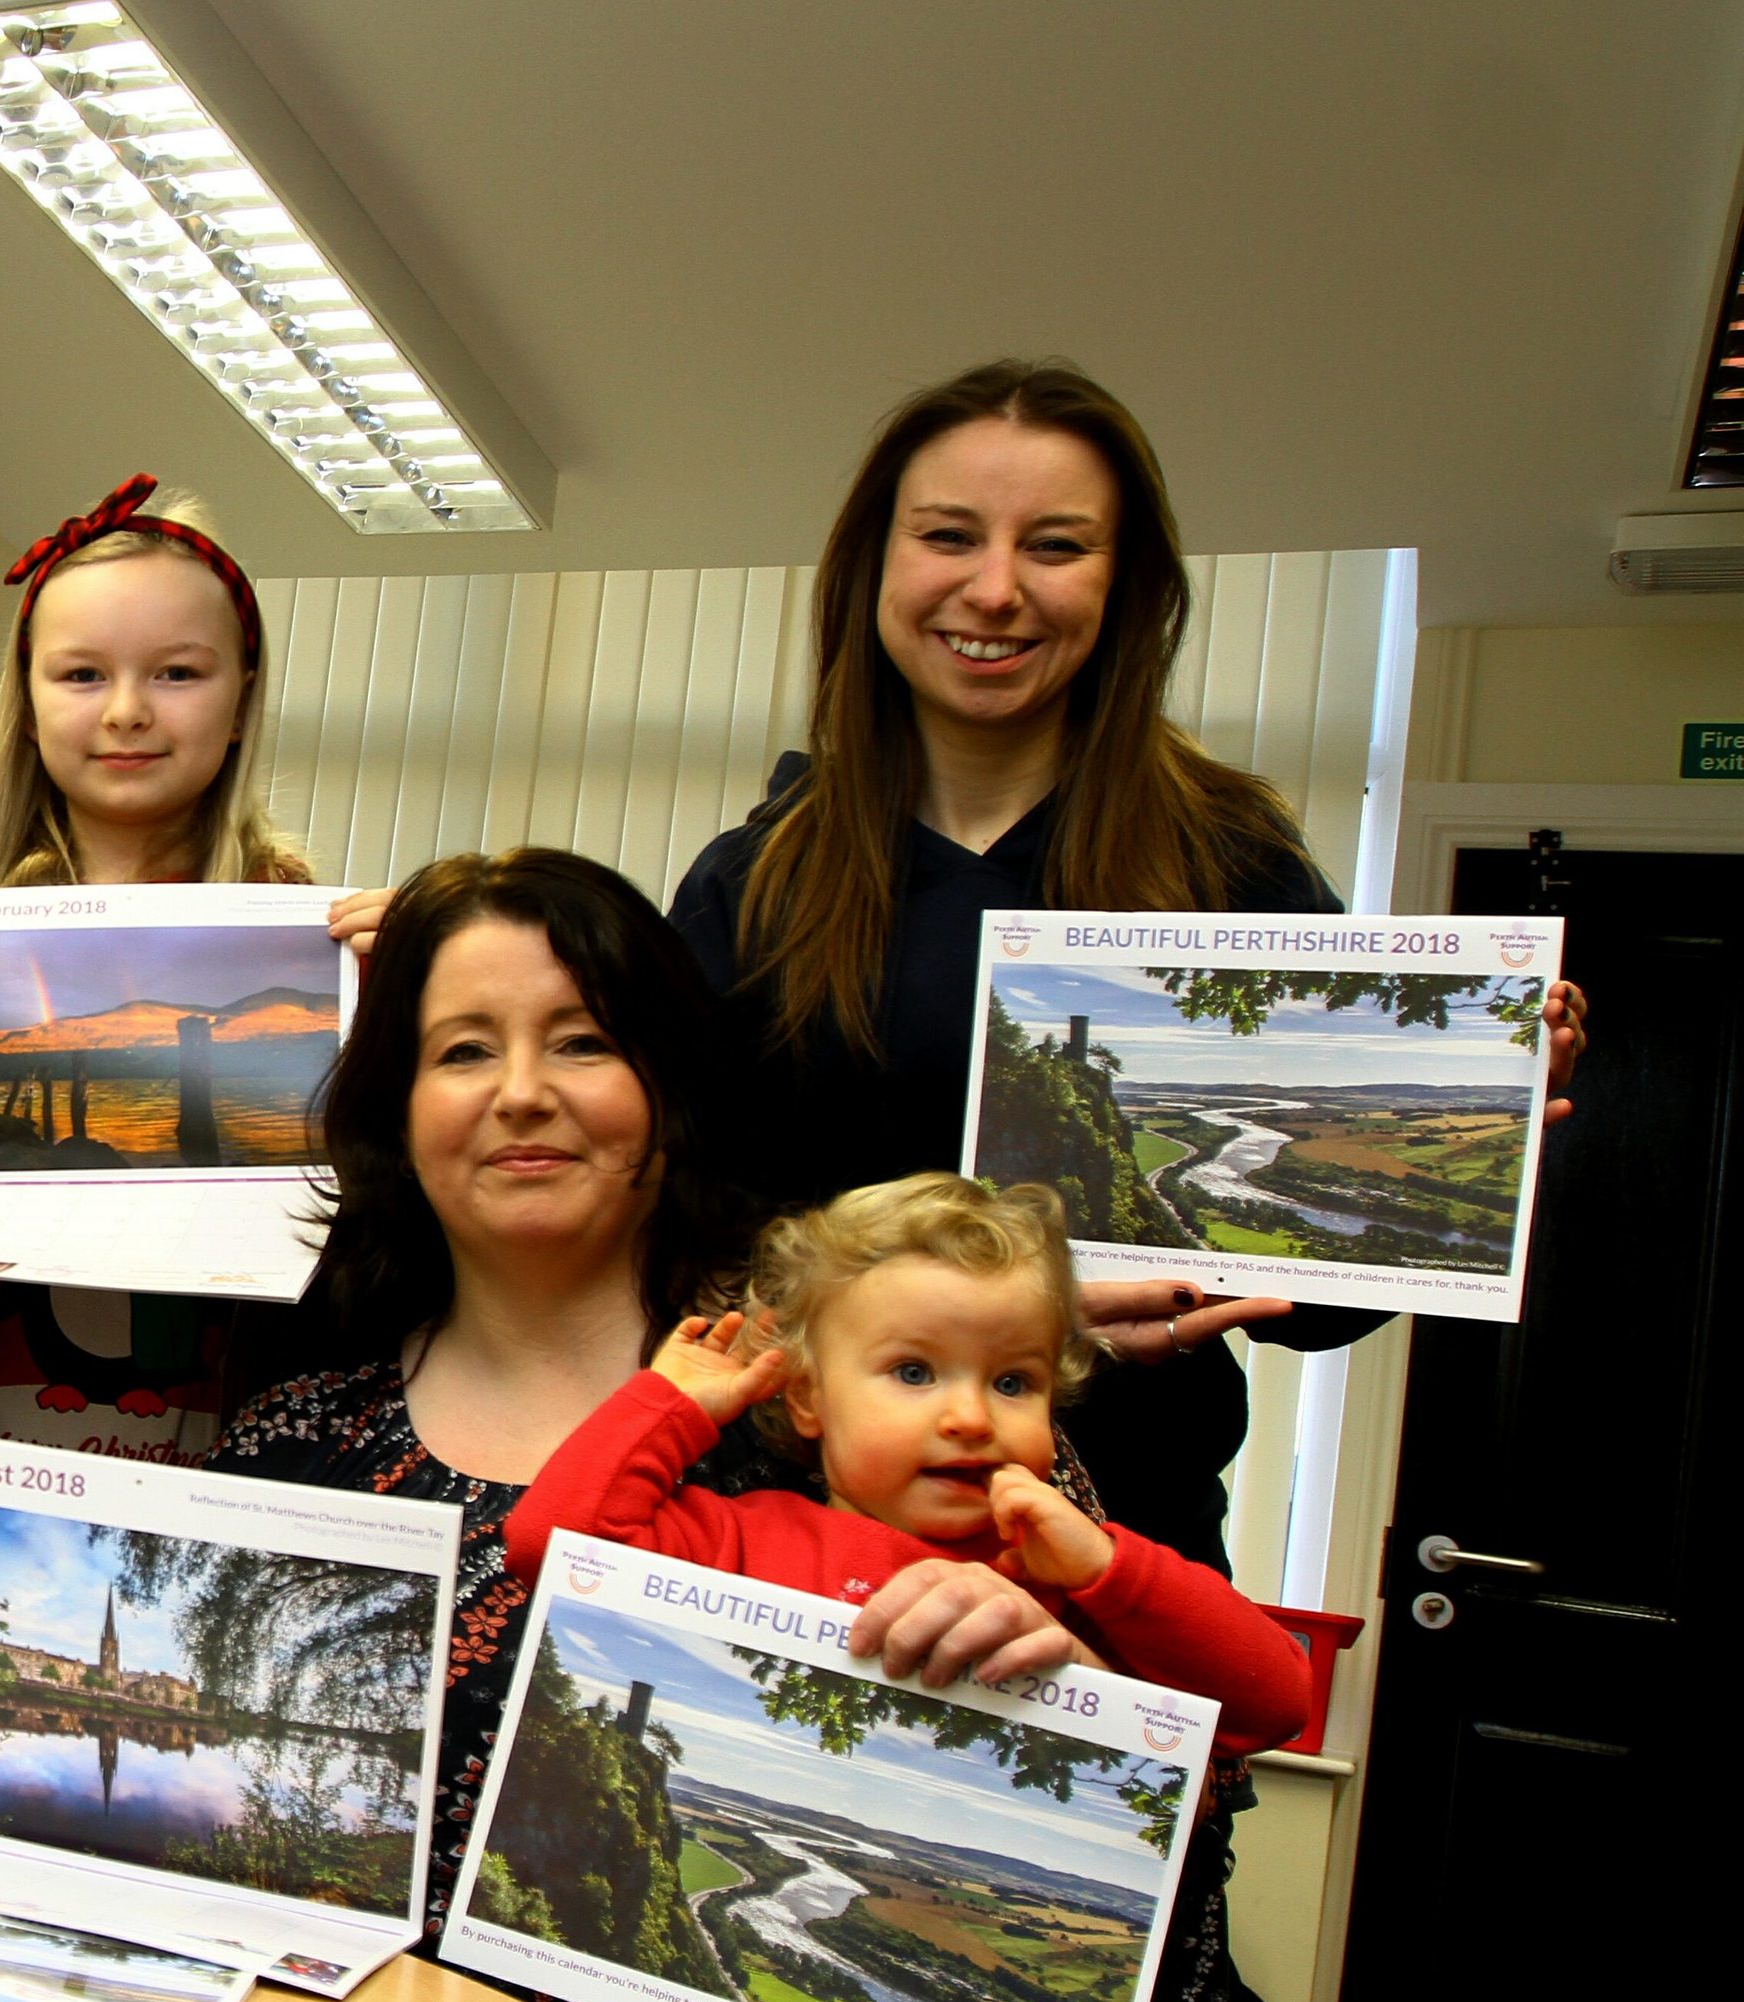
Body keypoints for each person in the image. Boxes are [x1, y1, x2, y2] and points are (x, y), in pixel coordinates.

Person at [0, 849, 1077, 2002]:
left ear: (668, 1081)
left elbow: (1108, 1874)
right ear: (396, 1108)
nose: (521, 1094)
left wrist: (1047, 1677)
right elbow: (151, 1858)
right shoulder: (299, 1451)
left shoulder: (857, 1417)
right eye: (462, 1050)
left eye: (581, 1042)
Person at [665, 357, 1588, 1574]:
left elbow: (1327, 1305)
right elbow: (674, 1247)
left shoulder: (1228, 858)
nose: (993, 591)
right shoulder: (755, 882)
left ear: (1126, 585)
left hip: (1126, 1561)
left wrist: (1473, 1128)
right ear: (872, 569)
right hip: (797, 1549)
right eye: (948, 536)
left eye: (1054, 546)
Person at [0, 475, 311, 1463]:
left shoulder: (303, 920)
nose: (128, 711)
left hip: (235, 1450)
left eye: (177, 673)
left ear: (240, 699)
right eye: (83, 675)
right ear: (28, 698)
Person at [507, 1175, 1312, 1754]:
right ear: (807, 1398)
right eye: (914, 1373)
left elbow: (1272, 1703)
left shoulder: (1066, 1581)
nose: (968, 1418)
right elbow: (549, 1543)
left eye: (1011, 1382)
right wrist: (672, 1403)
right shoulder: (738, 1542)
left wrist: (1104, 1564)